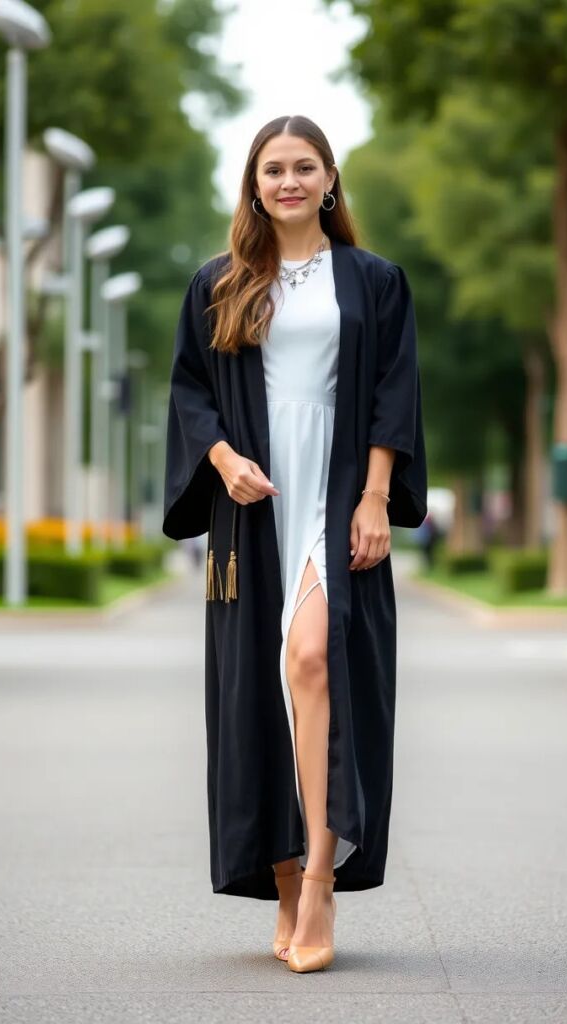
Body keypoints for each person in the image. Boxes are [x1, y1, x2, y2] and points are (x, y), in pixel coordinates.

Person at [163, 115, 427, 974]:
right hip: (256, 504)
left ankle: (319, 876)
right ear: (252, 183)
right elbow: (191, 387)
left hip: (337, 490)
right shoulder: (219, 282)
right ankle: (281, 880)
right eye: (272, 168)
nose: (288, 181)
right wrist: (221, 457)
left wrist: (376, 498)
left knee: (314, 662)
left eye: (303, 167)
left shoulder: (374, 281)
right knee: (256, 697)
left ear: (329, 178)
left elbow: (393, 390)